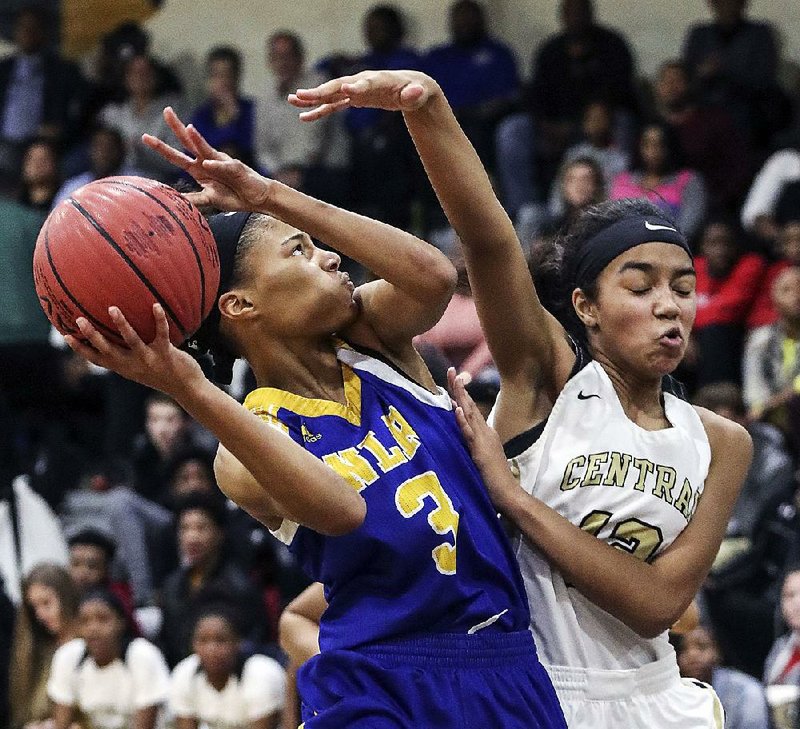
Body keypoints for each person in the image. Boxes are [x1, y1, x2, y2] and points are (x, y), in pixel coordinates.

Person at [63, 107, 566, 727]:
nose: (330, 258)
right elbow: (343, 509)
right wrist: (189, 391)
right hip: (378, 679)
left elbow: (434, 276)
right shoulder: (244, 445)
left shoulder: (374, 342)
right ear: (240, 305)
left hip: (506, 664)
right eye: (299, 252)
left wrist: (271, 196)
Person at [292, 69, 751, 726]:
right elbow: (487, 239)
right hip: (534, 689)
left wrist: (513, 500)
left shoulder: (723, 440)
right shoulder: (547, 377)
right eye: (641, 285)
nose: (668, 306)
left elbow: (656, 603)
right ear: (587, 306)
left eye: (682, 286)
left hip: (658, 694)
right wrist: (429, 107)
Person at [159, 493, 266, 667]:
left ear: (220, 533)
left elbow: (255, 643)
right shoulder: (171, 585)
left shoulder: (240, 586)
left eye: (201, 528)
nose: (192, 537)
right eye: (185, 528)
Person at [47, 589, 170, 729]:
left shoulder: (143, 655)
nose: (93, 628)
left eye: (103, 619)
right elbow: (61, 723)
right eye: (85, 621)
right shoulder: (68, 656)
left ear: (121, 622)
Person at [169, 606, 285, 729]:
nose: (211, 650)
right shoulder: (184, 673)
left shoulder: (261, 673)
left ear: (238, 642)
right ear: (193, 645)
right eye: (203, 640)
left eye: (220, 640)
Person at [610, 121, 709, 240]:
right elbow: (610, 223)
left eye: (659, 144)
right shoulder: (621, 181)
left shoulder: (688, 181)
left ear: (670, 147)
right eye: (647, 144)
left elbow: (689, 226)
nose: (653, 151)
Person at [9, 563, 79, 729]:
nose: (40, 615)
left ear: (66, 598)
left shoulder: (89, 646)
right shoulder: (38, 651)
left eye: (46, 603)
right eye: (34, 608)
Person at [676, 621, 770, 729]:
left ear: (717, 652)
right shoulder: (674, 693)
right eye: (684, 649)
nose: (692, 655)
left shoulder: (746, 691)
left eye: (702, 647)